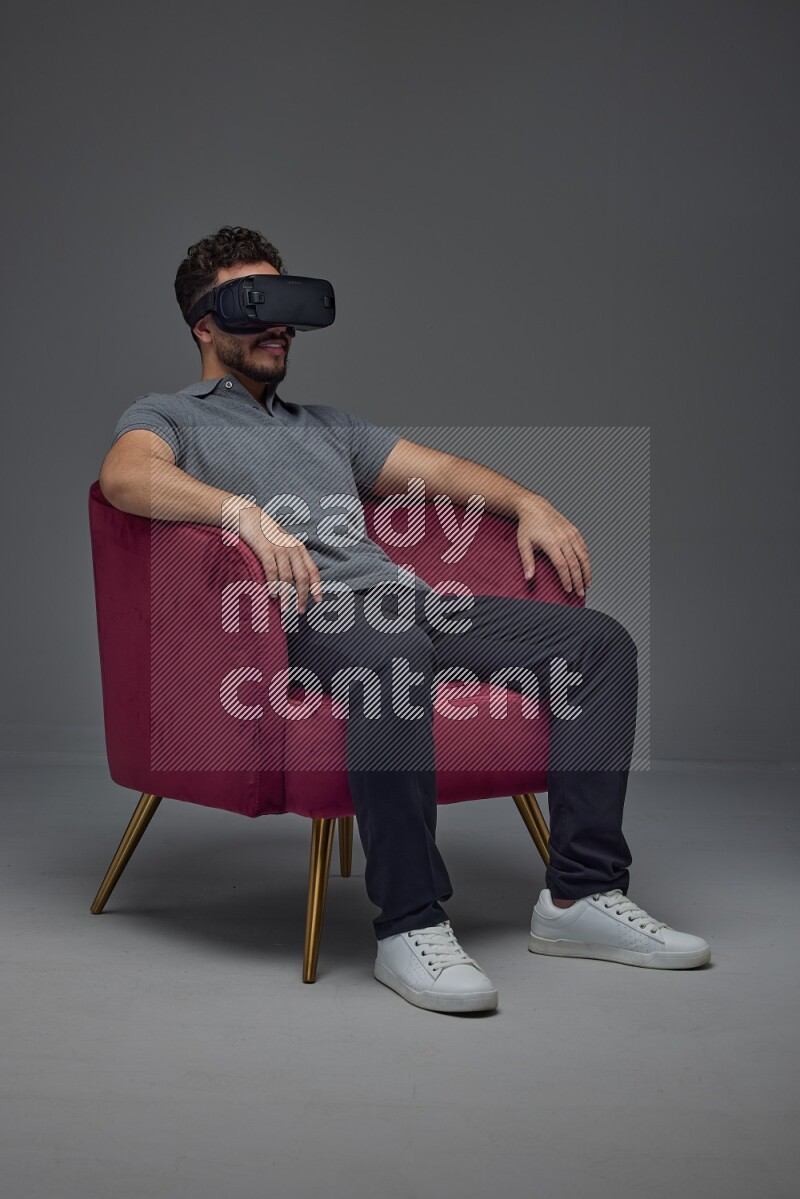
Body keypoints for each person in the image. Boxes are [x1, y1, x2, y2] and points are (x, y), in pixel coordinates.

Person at [98, 225, 711, 1015]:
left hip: (406, 604)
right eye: (258, 303)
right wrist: (240, 513)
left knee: (599, 646)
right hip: (304, 617)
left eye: (289, 304)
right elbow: (124, 475)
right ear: (204, 324)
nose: (281, 324)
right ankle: (410, 924)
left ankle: (580, 897)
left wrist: (530, 501)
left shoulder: (326, 426)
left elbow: (444, 472)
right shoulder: (169, 415)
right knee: (389, 655)